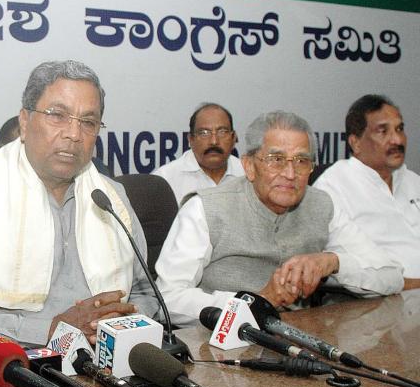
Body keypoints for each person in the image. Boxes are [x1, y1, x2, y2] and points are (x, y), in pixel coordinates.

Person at [0, 60, 160, 347]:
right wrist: (49, 330)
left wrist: (116, 324)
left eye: (88, 122)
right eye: (57, 115)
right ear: (24, 122)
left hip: (107, 356)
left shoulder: (111, 198)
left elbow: (147, 294)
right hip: (14, 368)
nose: (74, 134)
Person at [155, 110, 404, 326]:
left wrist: (332, 262)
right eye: (276, 160)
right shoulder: (205, 209)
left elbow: (392, 276)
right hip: (224, 347)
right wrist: (254, 303)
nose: (290, 173)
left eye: (301, 161)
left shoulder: (322, 204)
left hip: (305, 337)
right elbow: (169, 299)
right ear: (249, 166)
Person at [314, 95, 420, 288]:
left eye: (399, 129)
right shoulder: (332, 186)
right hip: (381, 302)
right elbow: (350, 272)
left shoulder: (413, 180)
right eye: (383, 131)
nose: (397, 139)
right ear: (356, 143)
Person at [154, 103, 244, 205]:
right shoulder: (165, 179)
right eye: (204, 133)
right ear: (191, 140)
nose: (214, 141)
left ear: (233, 138)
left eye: (222, 132)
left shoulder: (249, 175)